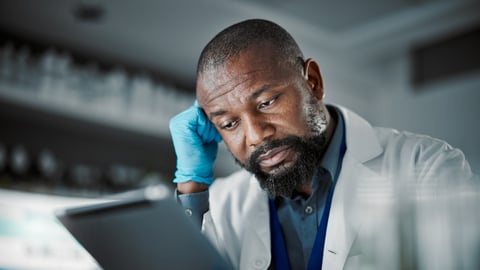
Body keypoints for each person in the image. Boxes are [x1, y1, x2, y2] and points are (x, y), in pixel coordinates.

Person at [169, 19, 478, 270]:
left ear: (312, 81)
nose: (255, 135)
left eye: (266, 102)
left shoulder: (424, 165)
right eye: (229, 123)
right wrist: (191, 186)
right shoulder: (223, 207)